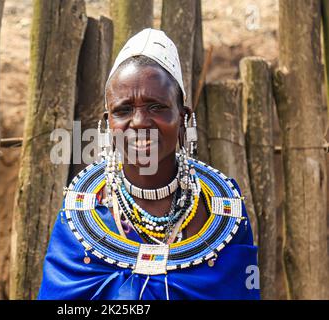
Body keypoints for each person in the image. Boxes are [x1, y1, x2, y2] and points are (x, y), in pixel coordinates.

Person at [38, 28, 259, 300]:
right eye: (124, 110)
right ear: (108, 124)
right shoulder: (82, 211)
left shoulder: (223, 211)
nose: (140, 122)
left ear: (183, 118)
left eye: (156, 106)